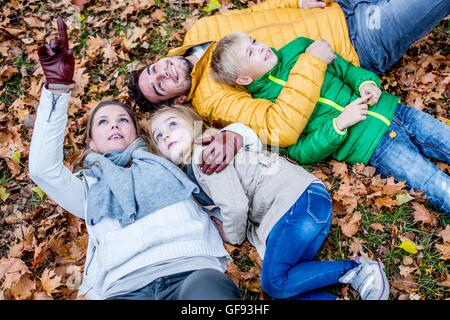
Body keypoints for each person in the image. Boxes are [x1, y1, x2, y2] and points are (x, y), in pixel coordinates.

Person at [28, 17, 254, 300]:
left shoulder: (168, 158)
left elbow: (232, 136)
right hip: (123, 287)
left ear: (137, 133)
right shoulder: (88, 189)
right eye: (103, 122)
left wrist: (236, 136)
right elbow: (42, 170)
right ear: (92, 144)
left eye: (123, 119)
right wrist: (57, 91)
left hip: (192, 271)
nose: (114, 125)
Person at [129, 0, 449, 149]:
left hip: (334, 7)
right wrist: (313, 61)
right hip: (353, 44)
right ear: (178, 99)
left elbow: (257, 16)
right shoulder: (213, 99)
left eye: (154, 69)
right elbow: (278, 128)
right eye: (160, 86)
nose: (163, 72)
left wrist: (294, 1)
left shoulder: (199, 30)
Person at [146, 105, 390, 300]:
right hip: (303, 208)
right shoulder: (195, 173)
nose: (166, 134)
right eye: (159, 136)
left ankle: (357, 270)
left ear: (192, 123)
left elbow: (236, 206)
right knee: (287, 288)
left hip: (296, 203)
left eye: (173, 124)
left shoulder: (206, 156)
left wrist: (232, 236)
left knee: (275, 282)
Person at [209, 32, 450, 214]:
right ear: (244, 78)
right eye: (250, 53)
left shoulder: (300, 48)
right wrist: (338, 125)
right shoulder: (266, 109)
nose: (259, 47)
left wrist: (366, 84)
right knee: (433, 183)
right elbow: (302, 151)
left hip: (395, 111)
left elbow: (346, 70)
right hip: (373, 145)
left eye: (253, 41)